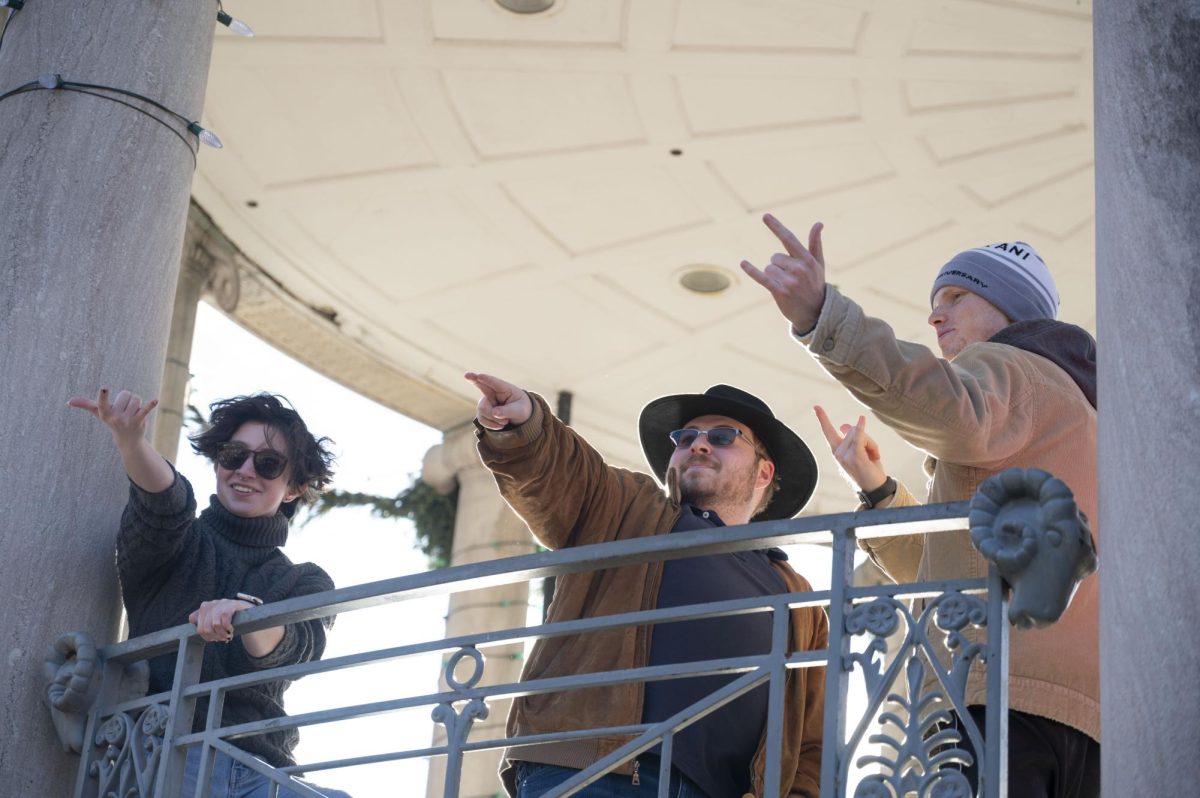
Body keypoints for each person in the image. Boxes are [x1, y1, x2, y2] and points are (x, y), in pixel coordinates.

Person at [741, 216, 1099, 797]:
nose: (937, 316)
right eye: (936, 303)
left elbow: (946, 404)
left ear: (1014, 310)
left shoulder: (1014, 366)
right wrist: (878, 489)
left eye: (958, 297)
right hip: (1088, 719)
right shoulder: (1085, 424)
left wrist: (821, 317)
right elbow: (951, 570)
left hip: (992, 697)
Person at [465, 372, 828, 798]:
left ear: (764, 472)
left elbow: (811, 743)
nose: (699, 443)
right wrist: (525, 426)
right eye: (685, 436)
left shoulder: (800, 601)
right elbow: (561, 475)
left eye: (724, 436)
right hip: (593, 771)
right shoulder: (629, 510)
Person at [69, 388, 351, 798]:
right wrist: (131, 443)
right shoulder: (180, 543)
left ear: (293, 488)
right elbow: (165, 504)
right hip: (164, 754)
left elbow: (298, 648)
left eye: (268, 464)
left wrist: (246, 615)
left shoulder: (306, 580)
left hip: (263, 770)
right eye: (234, 455)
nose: (246, 470)